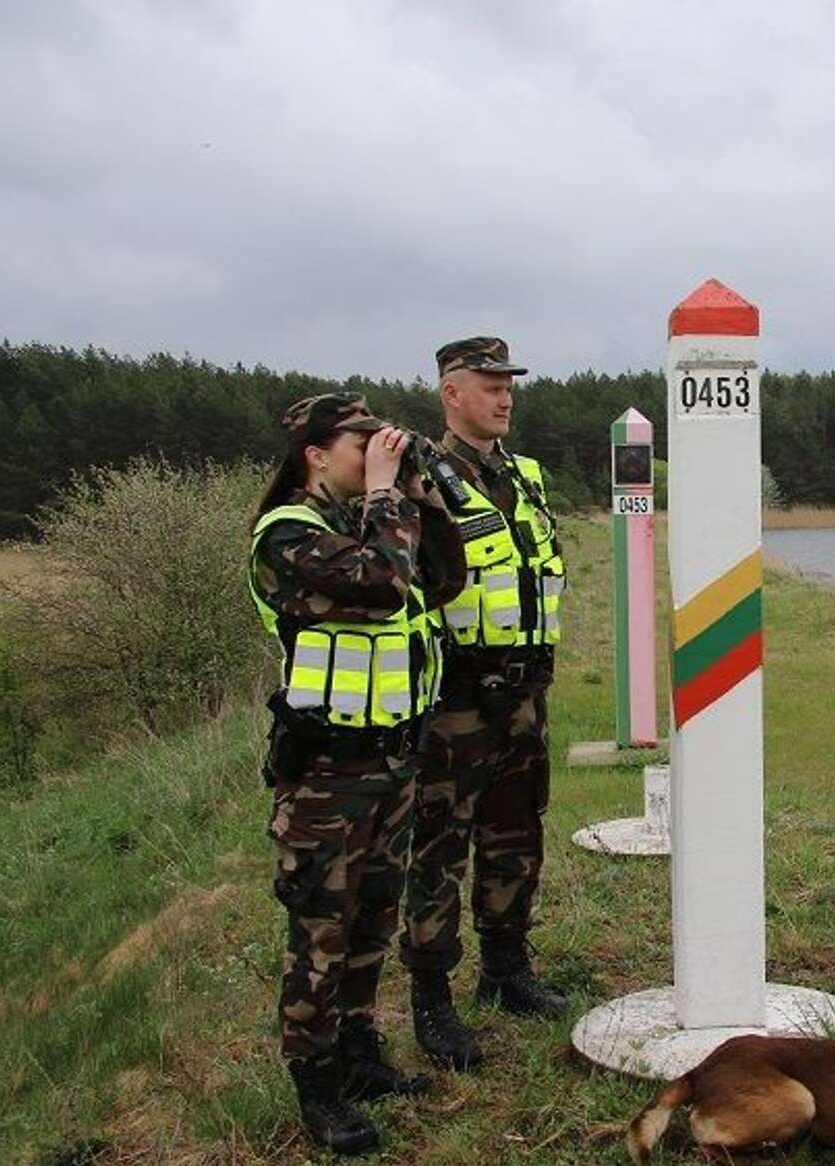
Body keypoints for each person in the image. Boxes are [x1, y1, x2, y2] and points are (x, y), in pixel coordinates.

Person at [248, 393, 464, 1154]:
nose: (375, 451)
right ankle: (317, 1087)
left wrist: (418, 498)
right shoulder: (287, 535)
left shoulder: (369, 522)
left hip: (392, 760)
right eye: (361, 442)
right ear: (314, 453)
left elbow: (440, 581)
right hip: (326, 779)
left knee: (374, 916)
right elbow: (379, 583)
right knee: (320, 933)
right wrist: (381, 496)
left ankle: (361, 1053)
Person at [403, 335, 569, 1072]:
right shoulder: (422, 481)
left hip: (524, 693)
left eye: (510, 385)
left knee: (515, 832)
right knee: (440, 846)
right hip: (456, 700)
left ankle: (507, 971)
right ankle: (433, 1001)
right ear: (451, 393)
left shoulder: (525, 476)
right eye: (489, 383)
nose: (505, 397)